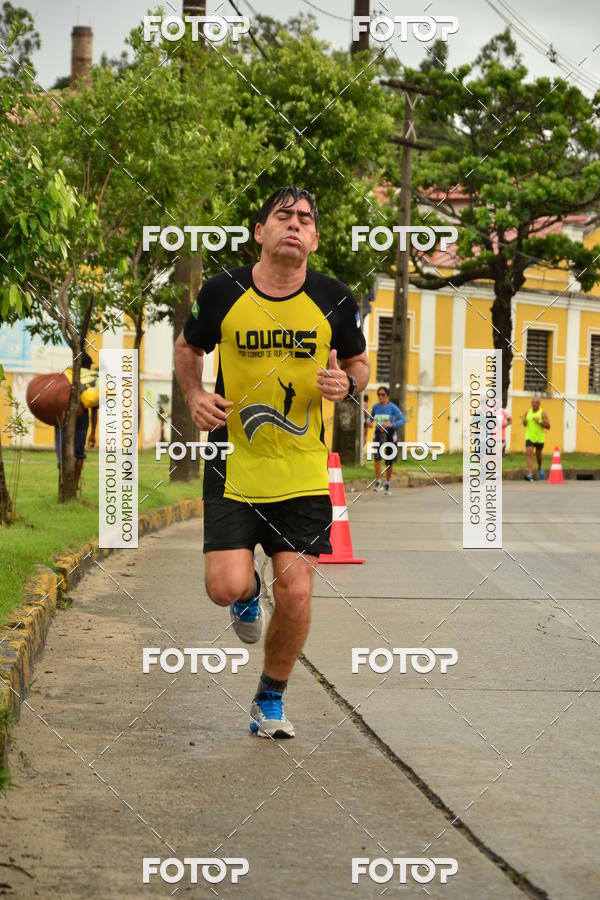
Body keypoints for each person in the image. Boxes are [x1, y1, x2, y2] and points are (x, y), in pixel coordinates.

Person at [174, 186, 369, 739]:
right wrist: (192, 396)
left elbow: (357, 363)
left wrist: (346, 383)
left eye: (305, 218)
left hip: (304, 469)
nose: (295, 224)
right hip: (236, 465)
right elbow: (189, 348)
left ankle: (270, 699)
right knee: (224, 586)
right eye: (283, 216)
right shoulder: (223, 291)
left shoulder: (333, 297)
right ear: (259, 233)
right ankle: (245, 596)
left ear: (314, 238)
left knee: (299, 591)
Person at [54, 351, 99, 492]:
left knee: (62, 450)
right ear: (88, 365)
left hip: (62, 416)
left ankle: (63, 485)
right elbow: (94, 409)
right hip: (82, 417)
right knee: (79, 453)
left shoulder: (66, 375)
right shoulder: (92, 380)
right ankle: (74, 486)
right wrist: (92, 433)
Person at [370, 386, 405, 495]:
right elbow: (371, 419)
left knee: (388, 459)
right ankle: (379, 481)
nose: (380, 396)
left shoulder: (392, 407)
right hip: (379, 433)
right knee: (377, 457)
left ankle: (388, 482)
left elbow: (403, 419)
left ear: (387, 396)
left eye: (383, 394)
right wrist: (370, 423)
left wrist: (392, 424)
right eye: (379, 394)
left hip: (390, 433)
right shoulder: (375, 407)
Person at [521, 397, 550, 481]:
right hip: (529, 437)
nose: (534, 404)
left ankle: (539, 467)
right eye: (533, 402)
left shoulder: (543, 413)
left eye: (536, 403)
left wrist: (540, 422)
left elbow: (548, 426)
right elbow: (525, 424)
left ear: (539, 404)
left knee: (538, 455)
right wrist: (524, 421)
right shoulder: (527, 412)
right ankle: (530, 474)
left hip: (539, 438)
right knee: (529, 452)